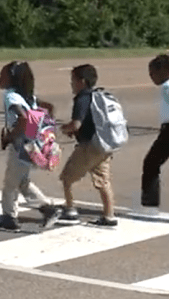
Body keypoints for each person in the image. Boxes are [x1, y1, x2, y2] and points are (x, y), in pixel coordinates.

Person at [41, 64, 117, 227]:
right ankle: (109, 215)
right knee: (104, 181)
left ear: (81, 81)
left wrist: (64, 128)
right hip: (104, 145)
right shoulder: (99, 95)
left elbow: (76, 124)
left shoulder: (82, 98)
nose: (71, 84)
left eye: (73, 80)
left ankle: (70, 210)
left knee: (67, 177)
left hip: (89, 147)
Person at [0, 61, 55, 232]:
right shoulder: (28, 96)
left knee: (10, 184)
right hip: (30, 145)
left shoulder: (11, 96)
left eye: (3, 75)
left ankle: (9, 219)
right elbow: (45, 111)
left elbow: (25, 119)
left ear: (11, 79)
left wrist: (11, 137)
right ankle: (47, 208)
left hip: (21, 146)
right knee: (21, 182)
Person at [141, 54, 169, 216]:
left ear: (165, 70)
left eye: (153, 73)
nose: (151, 77)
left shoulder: (167, 87)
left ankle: (149, 206)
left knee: (151, 163)